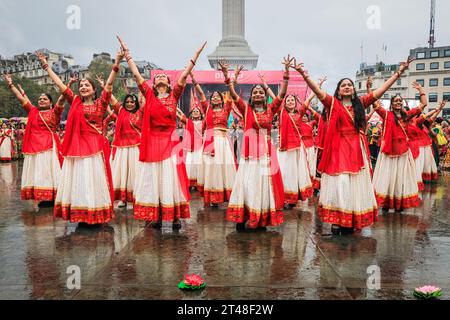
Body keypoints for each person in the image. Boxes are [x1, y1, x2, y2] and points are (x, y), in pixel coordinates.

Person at [290, 55, 415, 235]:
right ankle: (338, 218)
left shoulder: (361, 104)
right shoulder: (332, 104)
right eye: (343, 85)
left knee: (354, 184)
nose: (347, 86)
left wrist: (399, 73)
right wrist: (303, 74)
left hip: (356, 148)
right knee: (339, 183)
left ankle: (351, 218)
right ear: (339, 91)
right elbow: (317, 91)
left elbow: (380, 91)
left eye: (350, 84)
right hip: (338, 149)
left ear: (354, 90)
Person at [118, 36, 206, 229]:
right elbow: (136, 75)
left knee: (171, 177)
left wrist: (195, 56)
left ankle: (174, 215)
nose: (159, 78)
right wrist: (127, 55)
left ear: (168, 81)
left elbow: (184, 75)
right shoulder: (149, 95)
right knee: (154, 177)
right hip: (152, 142)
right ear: (153, 83)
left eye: (163, 76)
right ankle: (156, 214)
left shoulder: (175, 95)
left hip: (170, 142)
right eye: (156, 77)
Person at [36, 48, 122, 225]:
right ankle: (81, 214)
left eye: (86, 85)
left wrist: (117, 62)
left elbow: (110, 86)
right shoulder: (74, 102)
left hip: (95, 149)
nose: (83, 87)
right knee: (80, 181)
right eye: (81, 85)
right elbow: (60, 84)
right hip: (77, 149)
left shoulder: (101, 103)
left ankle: (95, 213)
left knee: (94, 180)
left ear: (93, 90)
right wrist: (46, 67)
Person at [218, 56, 291, 231]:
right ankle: (244, 215)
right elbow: (233, 94)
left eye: (261, 92)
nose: (258, 93)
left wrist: (286, 75)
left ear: (265, 96)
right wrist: (228, 76)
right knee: (247, 182)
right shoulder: (246, 109)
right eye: (255, 92)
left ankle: (261, 216)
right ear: (252, 97)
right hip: (249, 152)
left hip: (266, 151)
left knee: (264, 183)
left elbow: (281, 95)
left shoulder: (271, 109)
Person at [3, 74, 73, 204]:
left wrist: (68, 86)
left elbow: (62, 99)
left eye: (45, 99)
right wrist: (10, 84)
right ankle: (42, 196)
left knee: (47, 171)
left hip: (48, 147)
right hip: (34, 147)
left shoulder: (55, 112)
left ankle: (52, 195)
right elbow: (20, 98)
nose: (41, 100)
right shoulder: (33, 111)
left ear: (50, 102)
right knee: (38, 171)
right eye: (40, 99)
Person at [372, 82, 427, 212]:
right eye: (396, 101)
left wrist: (421, 90)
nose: (398, 102)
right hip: (389, 152)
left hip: (403, 151)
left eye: (400, 101)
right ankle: (386, 202)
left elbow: (423, 104)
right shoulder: (386, 115)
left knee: (401, 178)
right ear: (392, 104)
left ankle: (399, 202)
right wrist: (370, 88)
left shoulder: (407, 115)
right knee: (388, 178)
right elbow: (374, 102)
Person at [190, 70, 239, 207]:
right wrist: (194, 79)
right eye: (213, 97)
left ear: (222, 99)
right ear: (211, 100)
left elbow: (230, 93)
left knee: (222, 168)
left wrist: (232, 79)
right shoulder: (207, 109)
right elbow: (200, 94)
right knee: (211, 168)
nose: (216, 98)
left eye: (218, 96)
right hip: (209, 141)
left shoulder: (226, 109)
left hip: (222, 141)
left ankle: (223, 194)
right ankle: (212, 195)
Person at [176, 84, 204, 190]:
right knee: (189, 164)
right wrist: (175, 108)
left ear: (200, 114)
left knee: (198, 165)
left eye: (198, 111)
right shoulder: (188, 122)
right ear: (191, 114)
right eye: (194, 112)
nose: (196, 112)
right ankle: (189, 183)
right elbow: (179, 115)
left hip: (199, 147)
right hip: (189, 148)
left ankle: (198, 183)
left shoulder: (203, 123)